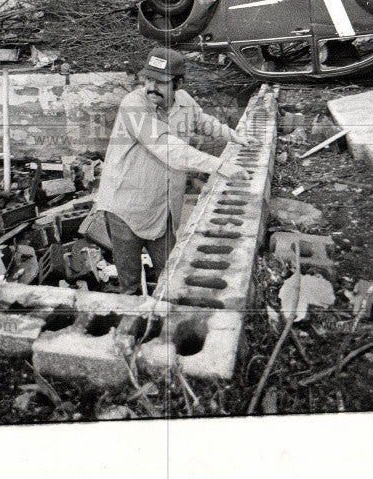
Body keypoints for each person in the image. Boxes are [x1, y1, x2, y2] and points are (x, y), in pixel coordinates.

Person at [94, 46, 257, 295]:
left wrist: (235, 136)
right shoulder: (133, 105)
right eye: (148, 79)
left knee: (170, 277)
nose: (151, 87)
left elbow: (204, 122)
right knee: (129, 284)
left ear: (178, 83)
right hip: (125, 206)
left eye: (161, 82)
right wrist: (220, 166)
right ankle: (134, 324)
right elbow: (169, 148)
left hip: (164, 208)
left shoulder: (184, 101)